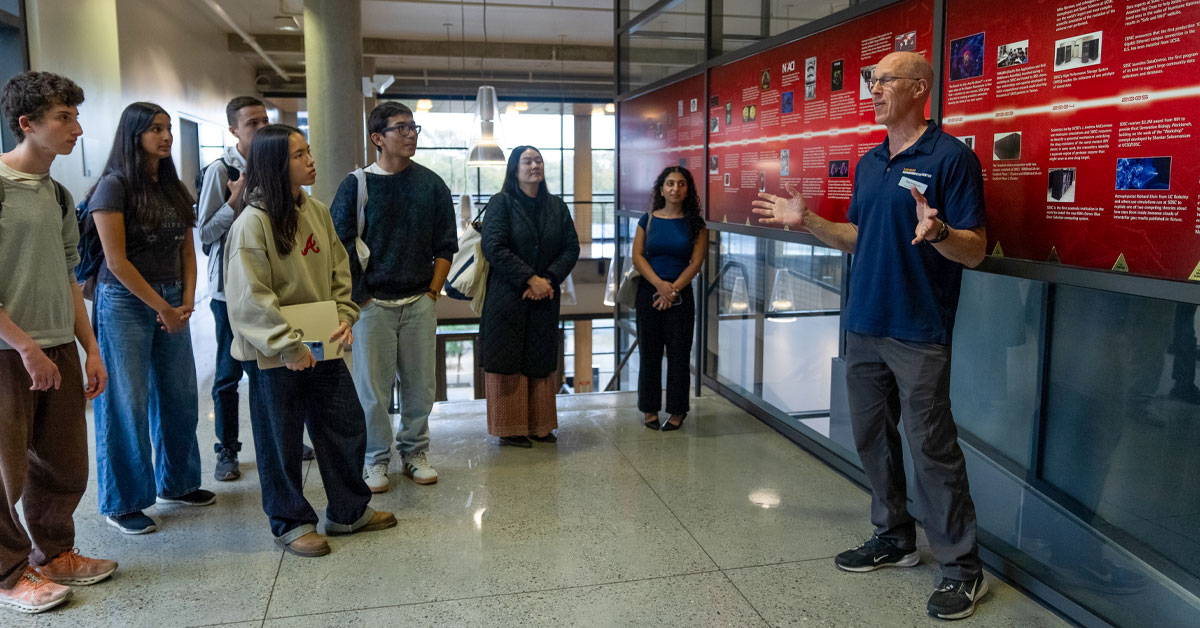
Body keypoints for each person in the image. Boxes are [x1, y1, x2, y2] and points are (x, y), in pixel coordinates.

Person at [753, 51, 988, 620]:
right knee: (871, 440)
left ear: (917, 88)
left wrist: (939, 233)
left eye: (883, 81)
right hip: (864, 322)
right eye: (871, 81)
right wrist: (806, 221)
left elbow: (975, 251)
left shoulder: (952, 158)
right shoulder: (871, 161)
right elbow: (859, 235)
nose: (873, 89)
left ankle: (962, 568)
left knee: (932, 449)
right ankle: (896, 538)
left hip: (919, 328)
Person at [226, 124, 396, 557]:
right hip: (273, 354)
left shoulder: (316, 210)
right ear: (274, 165)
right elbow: (249, 299)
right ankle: (291, 522)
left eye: (309, 150)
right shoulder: (253, 223)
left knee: (345, 423)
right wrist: (288, 345)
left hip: (322, 343)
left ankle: (348, 510)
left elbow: (340, 270)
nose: (310, 160)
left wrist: (345, 314)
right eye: (299, 155)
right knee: (279, 440)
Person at [0, 71, 117, 615]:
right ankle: (7, 572)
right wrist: (27, 348)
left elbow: (70, 276)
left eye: (75, 116)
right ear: (27, 124)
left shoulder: (58, 193)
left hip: (59, 347)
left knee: (64, 463)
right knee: (5, 469)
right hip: (9, 352)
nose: (76, 128)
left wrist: (89, 347)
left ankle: (55, 553)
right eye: (63, 118)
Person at [89, 102, 213, 535]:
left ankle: (178, 483)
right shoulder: (114, 186)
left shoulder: (173, 187)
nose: (165, 136)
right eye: (155, 129)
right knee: (127, 401)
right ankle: (123, 502)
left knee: (179, 395)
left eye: (167, 129)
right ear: (133, 134)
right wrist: (162, 307)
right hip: (123, 301)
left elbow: (186, 251)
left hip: (172, 297)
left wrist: (186, 300)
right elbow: (116, 261)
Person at [331, 101, 457, 492]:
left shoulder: (431, 184)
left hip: (419, 300)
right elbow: (341, 245)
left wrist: (433, 292)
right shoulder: (357, 185)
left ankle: (414, 452)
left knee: (421, 388)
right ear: (377, 138)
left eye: (413, 128)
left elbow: (446, 245)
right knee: (373, 391)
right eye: (400, 128)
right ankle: (375, 460)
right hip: (372, 304)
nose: (410, 135)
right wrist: (361, 298)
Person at [478, 146, 579, 448]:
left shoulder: (557, 207)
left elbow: (571, 248)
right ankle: (510, 429)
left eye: (538, 160)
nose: (534, 165)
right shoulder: (502, 203)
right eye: (527, 161)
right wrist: (529, 278)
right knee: (508, 360)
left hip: (544, 297)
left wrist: (547, 280)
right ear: (515, 169)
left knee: (540, 360)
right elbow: (493, 247)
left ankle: (540, 425)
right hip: (507, 296)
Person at [196, 96, 272, 482]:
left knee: (269, 368)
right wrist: (235, 198)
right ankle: (227, 449)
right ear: (233, 130)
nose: (260, 128)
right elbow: (206, 232)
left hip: (268, 284)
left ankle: (274, 440)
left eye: (264, 121)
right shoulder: (220, 170)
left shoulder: (274, 164)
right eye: (252, 124)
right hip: (229, 290)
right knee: (228, 374)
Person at [631, 166, 707, 431]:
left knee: (678, 355)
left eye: (681, 184)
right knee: (649, 354)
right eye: (670, 183)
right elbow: (638, 257)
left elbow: (696, 263)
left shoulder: (696, 224)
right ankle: (649, 409)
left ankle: (677, 411)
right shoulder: (647, 219)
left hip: (681, 296)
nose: (676, 189)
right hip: (649, 292)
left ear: (688, 190)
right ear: (661, 188)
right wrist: (660, 285)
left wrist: (672, 289)